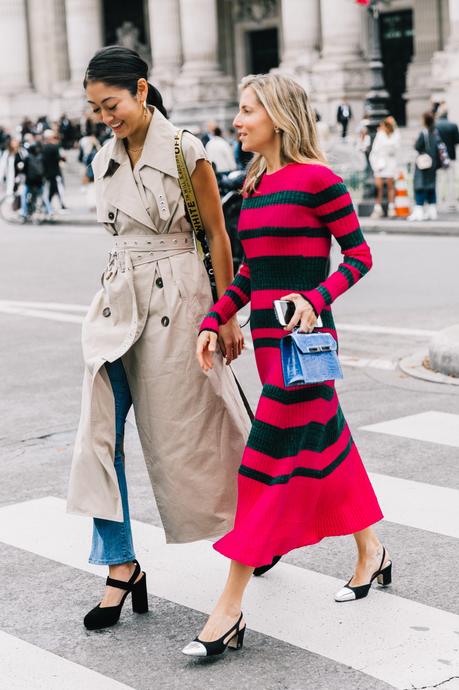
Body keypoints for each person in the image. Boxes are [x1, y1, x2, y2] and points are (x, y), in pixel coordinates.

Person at [183, 73, 390, 658]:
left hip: (307, 348)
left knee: (263, 466)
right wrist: (212, 319)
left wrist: (315, 298)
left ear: (278, 115)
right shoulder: (254, 185)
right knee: (330, 449)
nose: (238, 119)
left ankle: (228, 609)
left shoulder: (318, 181)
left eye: (247, 110)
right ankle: (372, 551)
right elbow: (251, 272)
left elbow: (360, 255)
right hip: (273, 350)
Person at [66, 46, 252, 631]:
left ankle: (255, 529)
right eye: (96, 109)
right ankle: (120, 565)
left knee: (204, 430)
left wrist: (224, 316)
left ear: (142, 91)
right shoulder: (103, 159)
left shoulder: (185, 148)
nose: (106, 117)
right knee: (99, 439)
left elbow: (218, 236)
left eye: (112, 104)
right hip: (120, 306)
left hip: (182, 301)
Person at [409, 111, 441, 221]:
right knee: (431, 186)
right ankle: (432, 211)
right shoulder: (435, 132)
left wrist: (415, 142)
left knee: (420, 186)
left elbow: (418, 146)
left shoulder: (424, 133)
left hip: (423, 164)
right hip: (433, 163)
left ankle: (419, 211)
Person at [369, 116, 400, 219]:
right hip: (380, 163)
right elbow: (375, 151)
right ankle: (378, 208)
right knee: (379, 187)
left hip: (391, 163)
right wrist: (375, 165)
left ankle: (391, 208)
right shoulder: (380, 135)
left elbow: (394, 148)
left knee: (391, 185)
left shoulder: (396, 134)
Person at [435, 104, 459, 210]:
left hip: (439, 156)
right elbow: (457, 141)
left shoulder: (436, 125)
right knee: (451, 179)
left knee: (440, 180)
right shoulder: (453, 125)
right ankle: (451, 201)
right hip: (451, 155)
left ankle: (439, 200)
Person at [42, 130, 66, 212]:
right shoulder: (54, 147)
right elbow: (59, 158)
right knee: (57, 189)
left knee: (53, 189)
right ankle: (55, 205)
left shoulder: (43, 147)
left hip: (47, 172)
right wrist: (63, 158)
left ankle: (51, 205)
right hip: (55, 172)